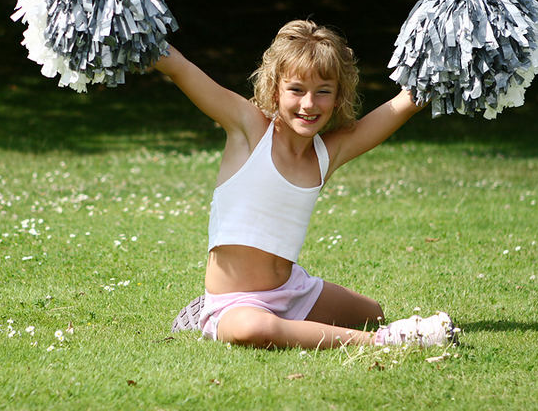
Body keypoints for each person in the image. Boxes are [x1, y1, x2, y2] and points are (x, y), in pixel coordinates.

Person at [155, 20, 457, 349]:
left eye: (323, 92)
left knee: (373, 311)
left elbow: (404, 104)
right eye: (296, 90)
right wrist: (132, 33)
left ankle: (326, 323)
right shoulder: (249, 130)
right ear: (275, 90)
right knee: (250, 330)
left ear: (338, 96)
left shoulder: (327, 154)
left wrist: (454, 60)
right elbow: (180, 68)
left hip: (293, 291)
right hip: (235, 303)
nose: (309, 104)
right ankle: (387, 341)